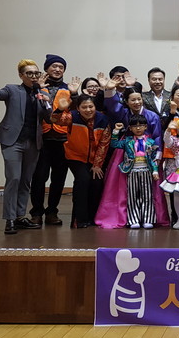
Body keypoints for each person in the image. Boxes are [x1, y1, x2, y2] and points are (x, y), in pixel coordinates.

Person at [0, 61, 49, 234]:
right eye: (29, 73)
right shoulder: (12, 89)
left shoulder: (41, 93)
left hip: (33, 142)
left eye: (36, 73)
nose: (34, 77)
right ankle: (9, 219)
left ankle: (19, 217)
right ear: (21, 75)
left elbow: (48, 116)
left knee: (25, 181)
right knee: (14, 178)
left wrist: (47, 102)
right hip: (12, 141)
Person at [51, 93, 111, 228]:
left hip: (95, 159)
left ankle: (94, 218)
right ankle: (79, 220)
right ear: (78, 108)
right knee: (83, 180)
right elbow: (55, 120)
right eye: (84, 107)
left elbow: (104, 144)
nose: (88, 110)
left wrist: (97, 165)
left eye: (91, 106)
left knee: (97, 182)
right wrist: (60, 109)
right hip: (75, 157)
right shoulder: (72, 117)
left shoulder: (103, 120)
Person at [29, 53, 70, 226]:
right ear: (46, 68)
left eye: (61, 67)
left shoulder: (69, 89)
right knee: (39, 177)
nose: (58, 69)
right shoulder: (36, 87)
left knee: (58, 179)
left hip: (62, 140)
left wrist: (75, 95)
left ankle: (52, 211)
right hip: (42, 140)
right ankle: (36, 212)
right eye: (54, 66)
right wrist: (35, 88)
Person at [110, 116, 159, 229]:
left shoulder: (150, 142)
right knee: (132, 196)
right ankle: (133, 220)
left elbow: (153, 158)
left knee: (147, 195)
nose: (138, 128)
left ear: (145, 127)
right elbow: (114, 144)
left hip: (146, 170)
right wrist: (116, 131)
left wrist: (155, 170)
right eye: (135, 126)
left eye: (140, 125)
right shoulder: (127, 141)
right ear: (130, 128)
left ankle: (148, 219)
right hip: (132, 170)